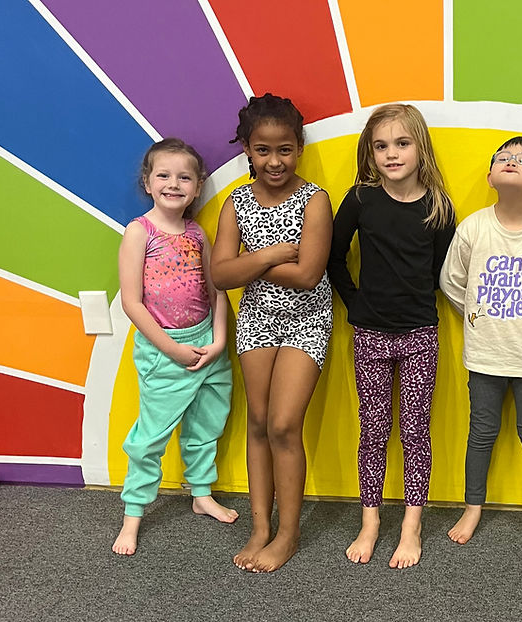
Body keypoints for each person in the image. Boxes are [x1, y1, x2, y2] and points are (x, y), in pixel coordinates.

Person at [327, 103, 456, 569]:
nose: (391, 154)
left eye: (402, 144)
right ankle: (371, 520)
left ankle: (411, 525)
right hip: (370, 334)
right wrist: (355, 303)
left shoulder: (439, 207)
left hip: (420, 333)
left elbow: (445, 273)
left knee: (416, 431)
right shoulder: (361, 198)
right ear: (370, 152)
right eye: (381, 146)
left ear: (420, 147)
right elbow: (333, 256)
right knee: (373, 430)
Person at [211, 94, 333, 573]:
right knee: (258, 423)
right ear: (247, 149)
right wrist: (268, 255)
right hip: (258, 318)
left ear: (298, 148)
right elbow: (220, 276)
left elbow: (308, 276)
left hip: (307, 319)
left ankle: (288, 532)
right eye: (263, 150)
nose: (274, 160)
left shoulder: (315, 198)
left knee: (284, 424)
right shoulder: (236, 202)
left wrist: (246, 265)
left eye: (284, 149)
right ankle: (260, 526)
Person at [440, 136, 522, 552]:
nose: (512, 161)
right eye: (503, 157)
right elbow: (451, 281)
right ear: (490, 176)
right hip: (485, 354)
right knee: (481, 432)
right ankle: (473, 506)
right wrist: (478, 316)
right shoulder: (473, 228)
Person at [113, 138, 238, 556]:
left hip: (207, 343)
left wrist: (219, 340)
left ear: (198, 185)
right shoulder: (138, 231)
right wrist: (171, 349)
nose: (173, 183)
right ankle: (133, 515)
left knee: (206, 424)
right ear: (147, 182)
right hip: (166, 350)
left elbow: (216, 287)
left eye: (184, 176)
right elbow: (132, 302)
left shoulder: (198, 232)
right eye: (163, 175)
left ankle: (201, 494)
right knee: (150, 437)